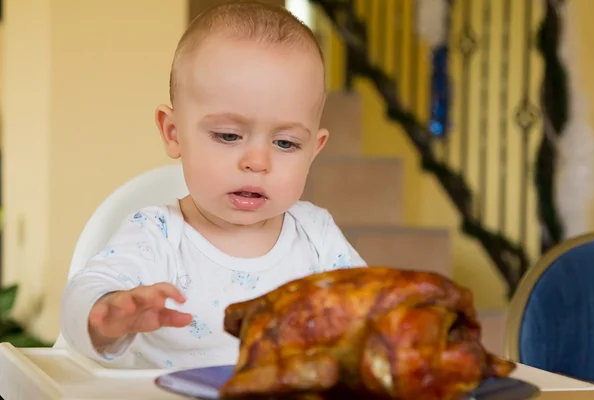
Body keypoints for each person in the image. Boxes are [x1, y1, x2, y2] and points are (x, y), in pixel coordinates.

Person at [60, 0, 366, 370]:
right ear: (174, 133)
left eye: (285, 143)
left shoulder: (318, 238)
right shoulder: (157, 236)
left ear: (313, 150)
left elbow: (370, 311)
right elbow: (84, 295)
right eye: (228, 135)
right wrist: (109, 314)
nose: (257, 162)